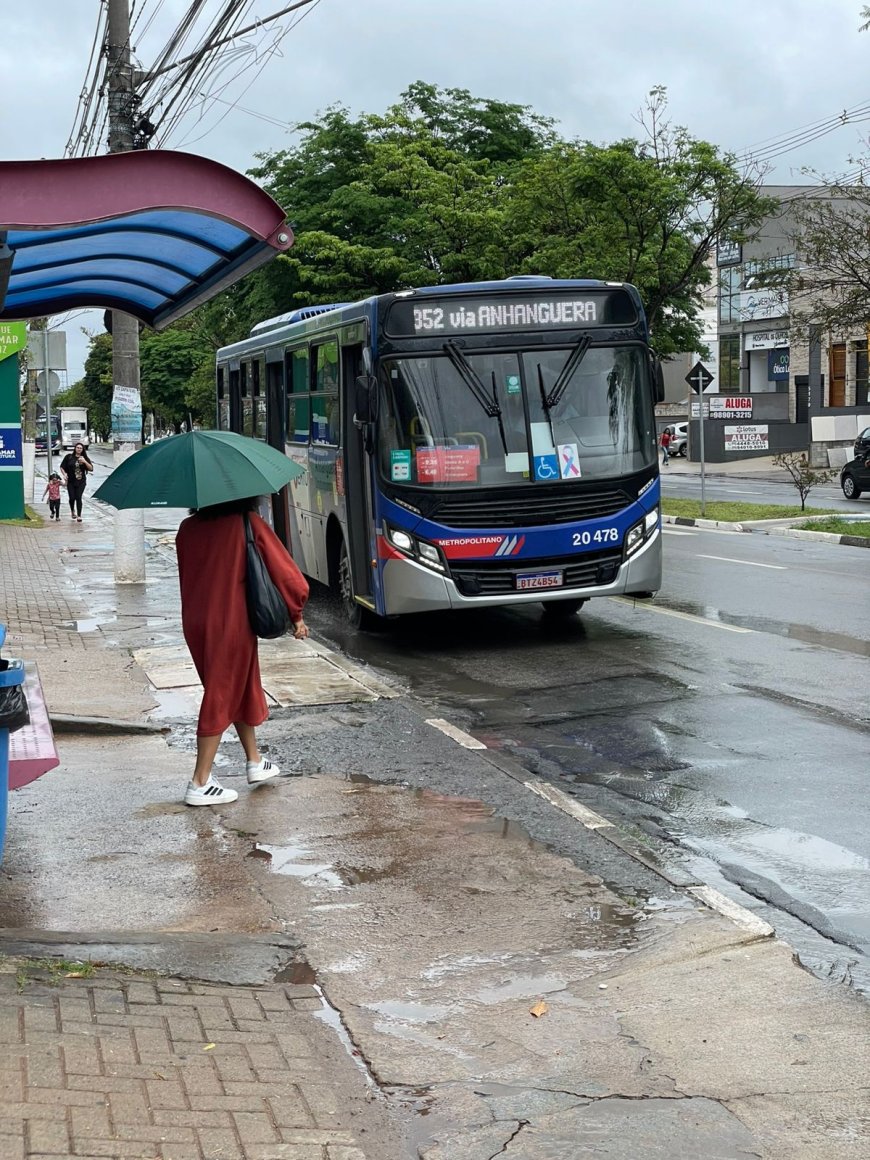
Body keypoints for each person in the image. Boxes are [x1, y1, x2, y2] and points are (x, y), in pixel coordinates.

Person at [175, 497, 310, 806]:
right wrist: (296, 614)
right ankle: (200, 782)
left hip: (196, 621)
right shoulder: (246, 523)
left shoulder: (187, 529)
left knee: (239, 686)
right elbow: (286, 574)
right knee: (221, 693)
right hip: (231, 621)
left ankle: (254, 760)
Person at [59, 442, 94, 521]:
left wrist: (84, 461)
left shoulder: (84, 458)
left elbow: (91, 468)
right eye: (77, 447)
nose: (79, 449)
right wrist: (64, 474)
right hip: (71, 481)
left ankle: (79, 515)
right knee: (72, 498)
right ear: (75, 448)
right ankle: (72, 511)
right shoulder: (69, 457)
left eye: (80, 448)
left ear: (82, 450)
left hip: (81, 481)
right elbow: (62, 467)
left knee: (78, 497)